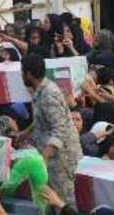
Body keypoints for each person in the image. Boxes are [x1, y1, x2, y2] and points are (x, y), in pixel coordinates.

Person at [18, 54, 82, 205]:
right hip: (52, 158)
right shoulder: (39, 91)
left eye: (22, 71)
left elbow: (59, 128)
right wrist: (25, 133)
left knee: (63, 201)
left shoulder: (48, 94)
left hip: (62, 160)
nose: (21, 76)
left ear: (28, 74)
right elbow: (42, 120)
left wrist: (43, 159)